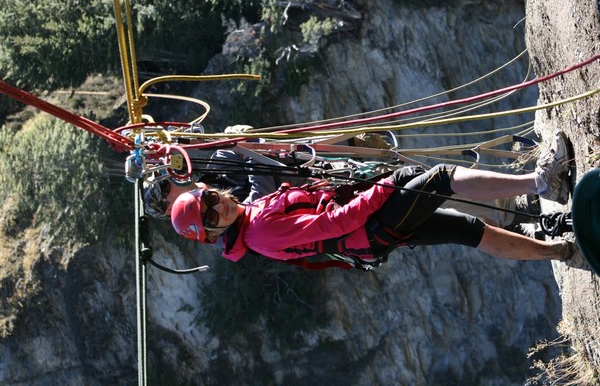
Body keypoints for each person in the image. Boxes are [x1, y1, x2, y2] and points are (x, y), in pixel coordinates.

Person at [169, 131, 581, 269]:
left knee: (468, 230)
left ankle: (562, 251)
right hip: (368, 223)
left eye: (208, 198)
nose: (215, 206)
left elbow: (255, 160)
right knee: (441, 179)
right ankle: (542, 183)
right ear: (212, 234)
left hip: (372, 232)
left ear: (211, 189)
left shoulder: (253, 211)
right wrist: (379, 190)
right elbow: (333, 224)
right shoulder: (259, 230)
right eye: (209, 216)